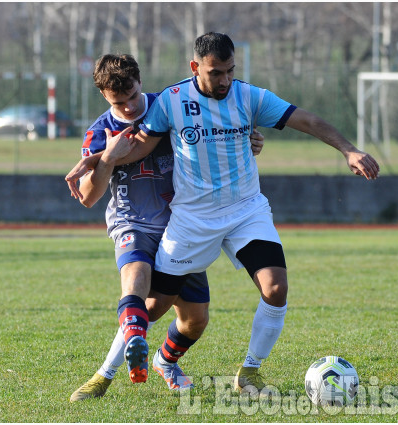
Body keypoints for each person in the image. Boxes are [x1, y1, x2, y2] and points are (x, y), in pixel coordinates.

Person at [70, 33, 380, 396]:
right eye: (216, 73)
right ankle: (104, 374)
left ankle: (249, 372)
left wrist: (348, 150)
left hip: (245, 210)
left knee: (274, 288)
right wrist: (97, 159)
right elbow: (138, 148)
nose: (225, 80)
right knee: (151, 309)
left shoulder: (248, 96)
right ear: (195, 68)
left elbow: (306, 120)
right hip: (186, 219)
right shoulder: (171, 102)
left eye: (230, 71)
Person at [65, 54, 266, 400]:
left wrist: (248, 141)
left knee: (195, 320)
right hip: (133, 222)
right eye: (118, 102)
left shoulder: (171, 105)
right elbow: (87, 197)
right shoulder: (99, 133)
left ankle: (165, 360)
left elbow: (214, 132)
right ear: (104, 96)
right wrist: (109, 158)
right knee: (136, 272)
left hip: (182, 225)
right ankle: (109, 369)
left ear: (140, 81)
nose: (128, 108)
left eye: (131, 97)